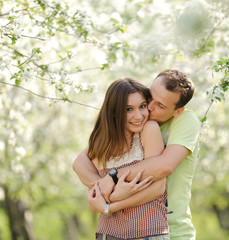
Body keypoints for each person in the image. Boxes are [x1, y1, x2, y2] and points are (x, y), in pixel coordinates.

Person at [74, 69, 201, 239]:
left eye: (160, 105)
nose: (149, 107)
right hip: (122, 229)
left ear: (177, 111)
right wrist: (105, 190)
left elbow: (164, 166)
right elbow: (81, 161)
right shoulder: (137, 122)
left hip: (172, 229)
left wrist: (112, 179)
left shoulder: (186, 121)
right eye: (149, 97)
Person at [86, 78, 170, 239]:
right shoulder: (100, 143)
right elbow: (95, 195)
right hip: (107, 233)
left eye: (142, 106)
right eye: (128, 109)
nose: (138, 116)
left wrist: (110, 206)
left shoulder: (148, 130)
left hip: (147, 231)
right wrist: (108, 199)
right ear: (114, 111)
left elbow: (158, 188)